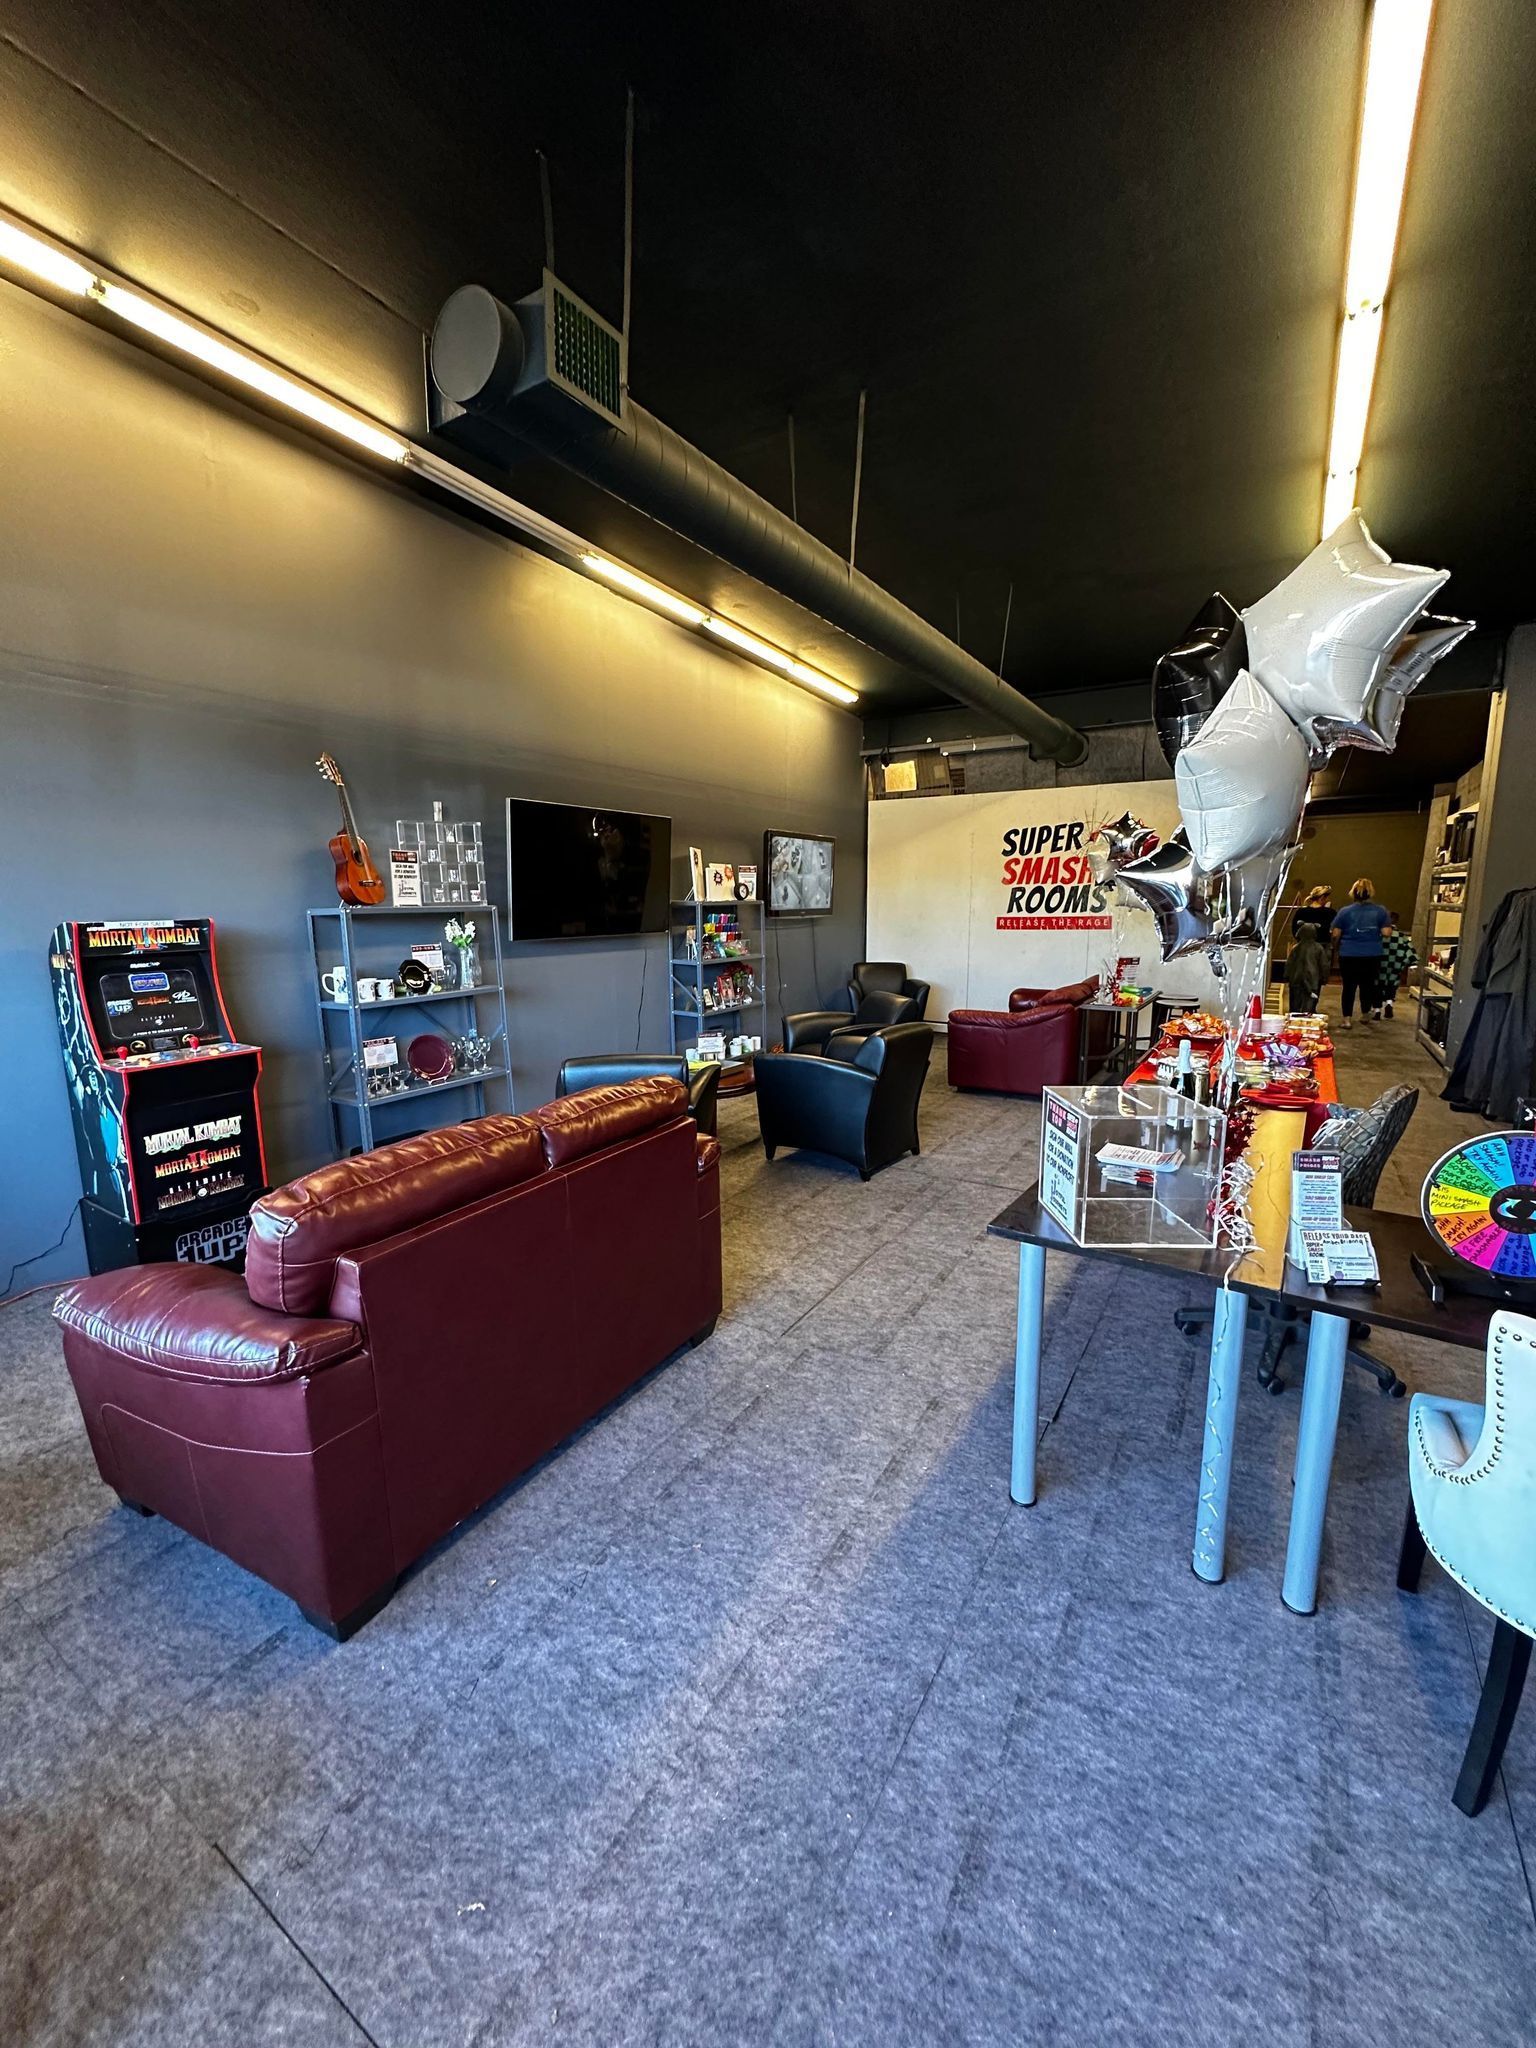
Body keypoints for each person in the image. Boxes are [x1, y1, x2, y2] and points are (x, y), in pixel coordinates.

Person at [1330, 878, 1393, 1028]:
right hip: (1372, 954)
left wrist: (1337, 946)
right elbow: (1386, 932)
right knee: (1367, 985)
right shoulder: (1380, 911)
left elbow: (1335, 934)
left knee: (1348, 987)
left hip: (1349, 954)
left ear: (1353, 893)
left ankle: (1346, 1020)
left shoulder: (1344, 912)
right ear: (1370, 893)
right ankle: (1365, 1014)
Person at [1377, 918, 1418, 1019]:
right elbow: (1411, 954)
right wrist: (1405, 964)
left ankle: (1377, 1010)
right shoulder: (1401, 936)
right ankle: (1389, 1003)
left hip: (1380, 964)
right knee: (1391, 986)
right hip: (1395, 966)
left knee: (1377, 986)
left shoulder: (1378, 934)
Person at [1285, 923, 1328, 1015]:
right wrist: (1324, 978)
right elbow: (1324, 965)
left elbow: (1289, 964)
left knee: (1295, 1004)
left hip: (1296, 980)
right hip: (1313, 980)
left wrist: (1287, 976)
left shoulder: (1295, 948)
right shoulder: (1319, 948)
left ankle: (1294, 1019)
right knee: (1310, 1004)